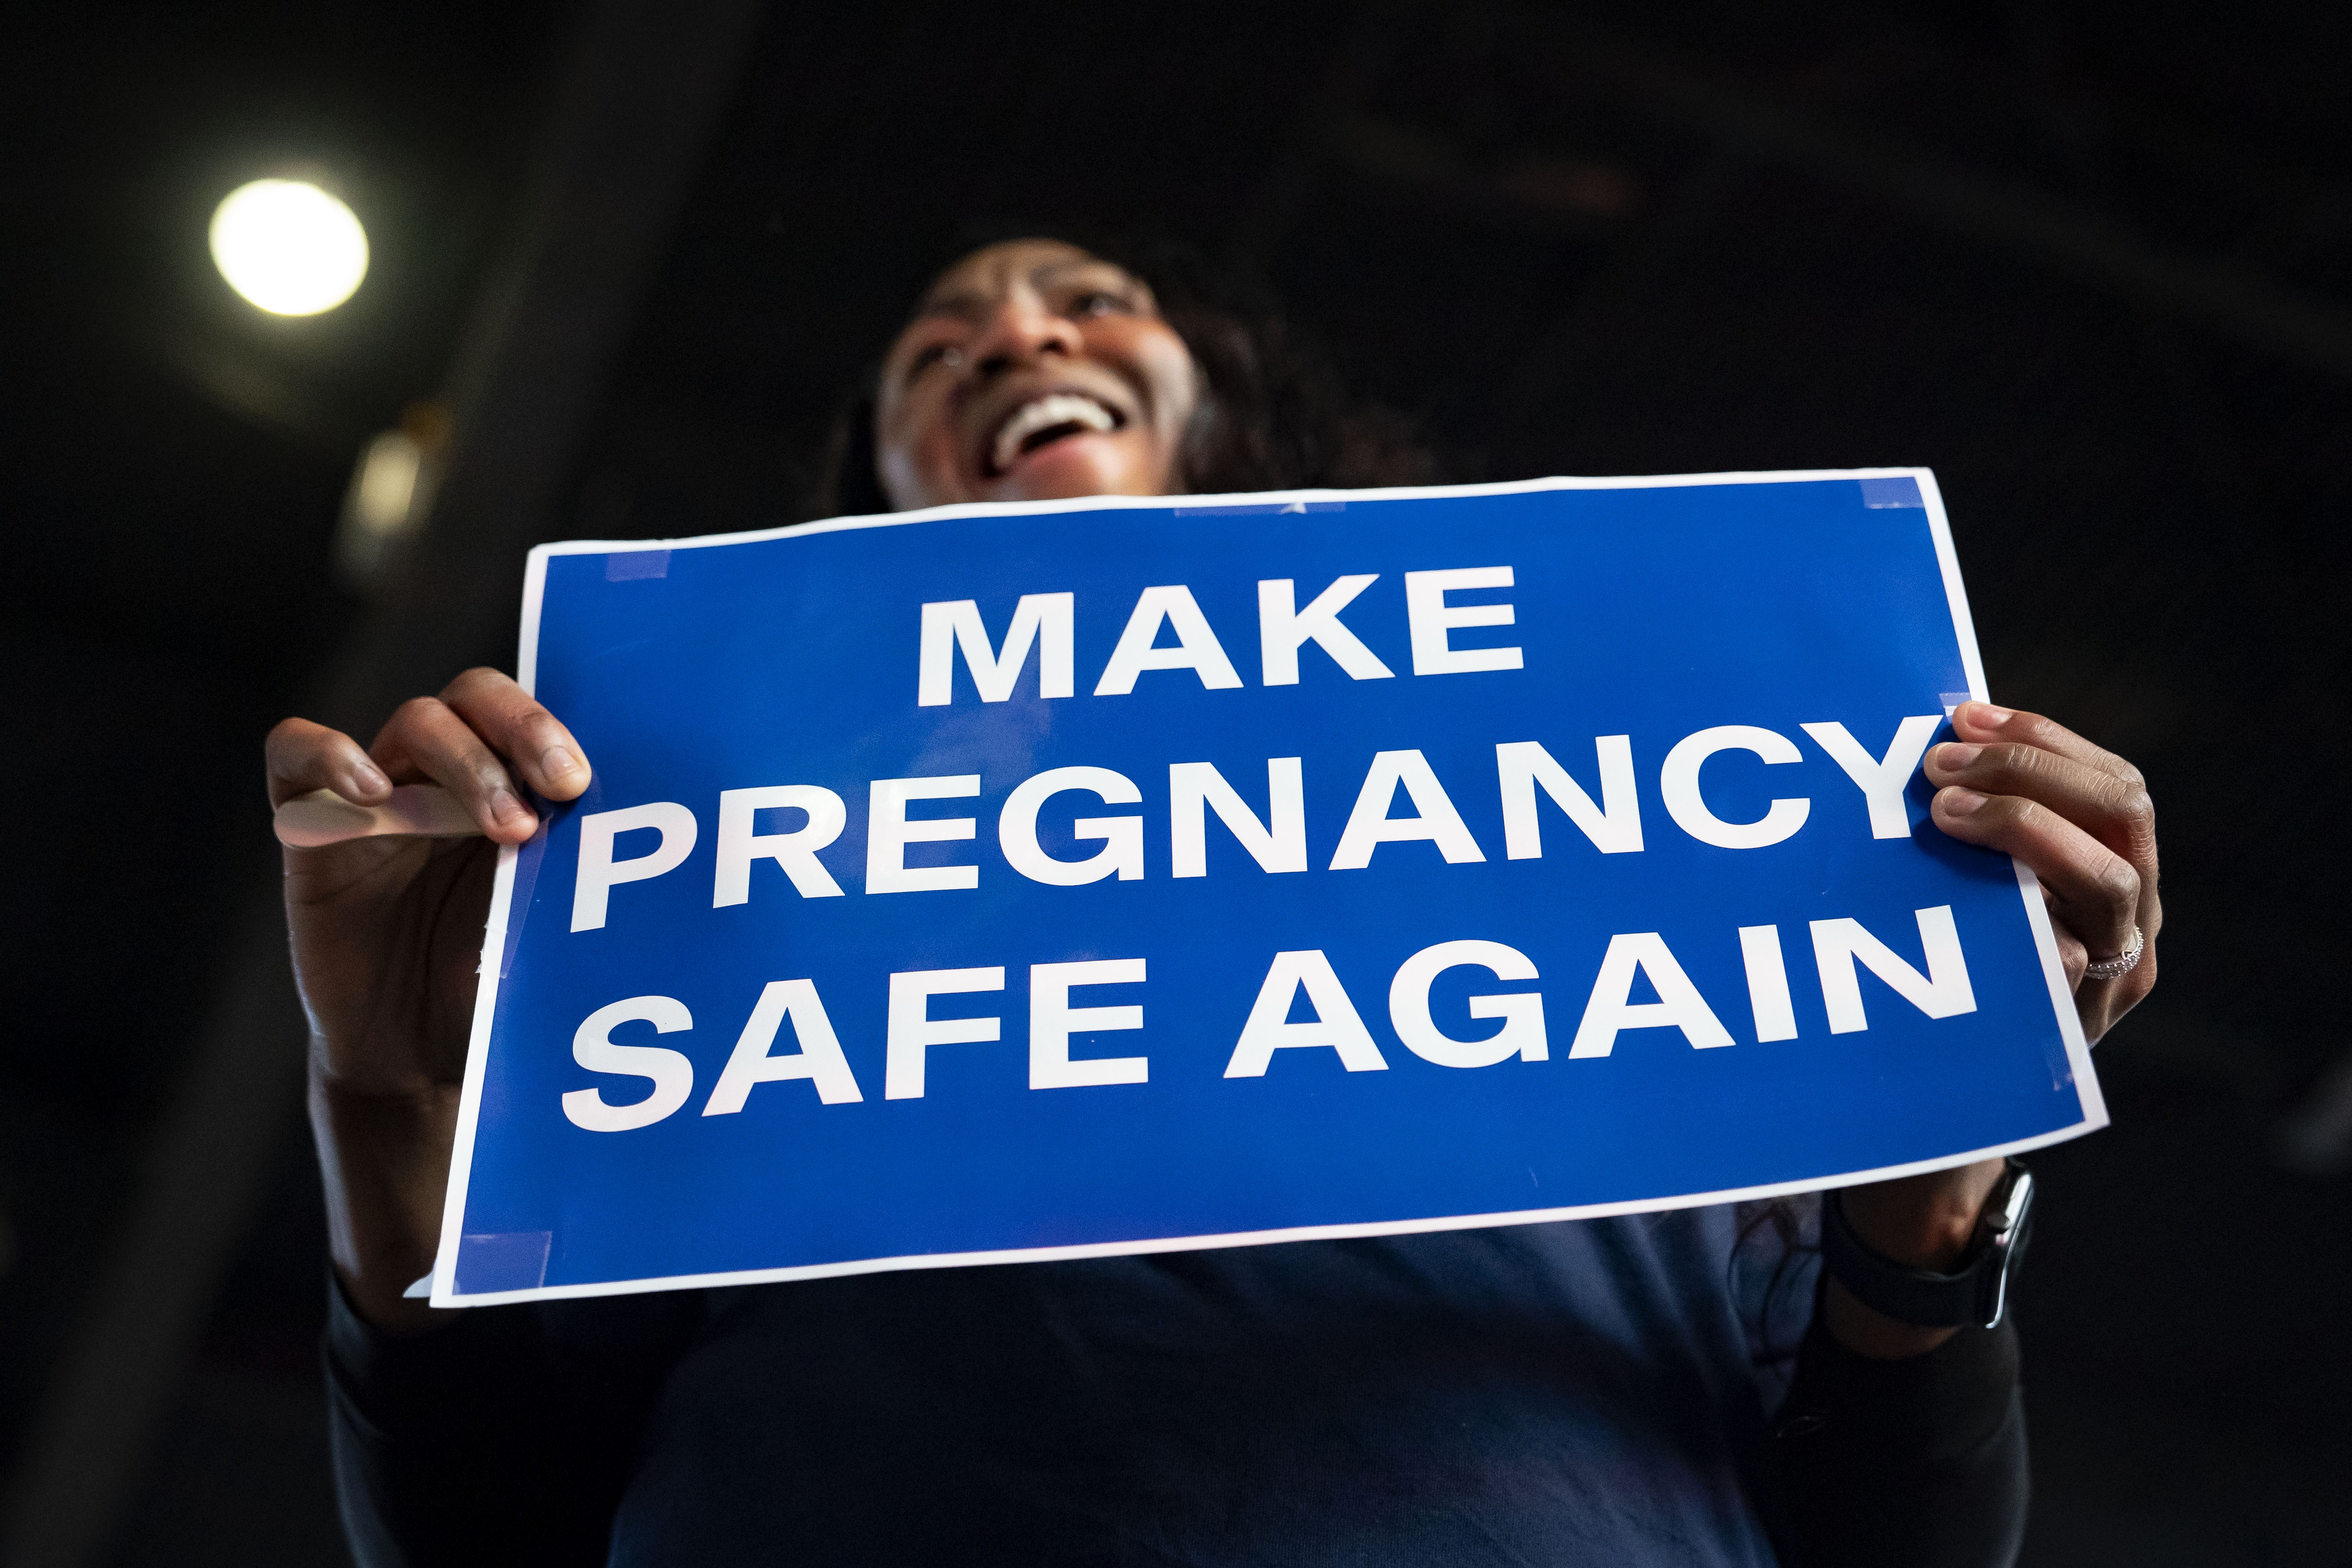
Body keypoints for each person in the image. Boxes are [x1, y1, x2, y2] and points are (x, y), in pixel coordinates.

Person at [269, 237, 2162, 1567]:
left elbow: (1895, 1535)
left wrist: (1933, 1181)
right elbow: (490, 1534)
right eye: (941, 353)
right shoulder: (668, 918)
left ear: (1225, 419)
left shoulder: (1656, 891)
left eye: (1089, 303)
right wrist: (390, 1105)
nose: (1018, 334)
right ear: (868, 504)